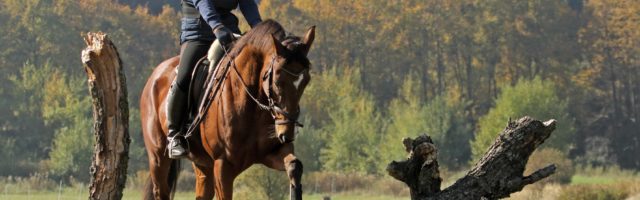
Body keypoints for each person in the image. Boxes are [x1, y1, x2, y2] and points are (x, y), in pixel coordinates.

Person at [167, 0, 262, 159]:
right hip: (198, 32)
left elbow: (247, 3)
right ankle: (174, 134)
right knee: (184, 76)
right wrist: (217, 26)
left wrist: (259, 27)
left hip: (228, 31)